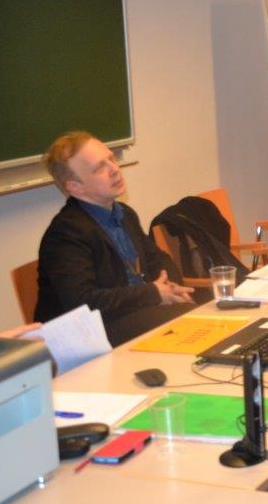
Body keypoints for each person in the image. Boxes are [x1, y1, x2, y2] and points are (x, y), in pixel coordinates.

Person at [37, 131, 197, 346]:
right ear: (75, 187)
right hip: (90, 335)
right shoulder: (65, 234)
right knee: (188, 320)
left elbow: (157, 259)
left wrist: (171, 288)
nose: (114, 169)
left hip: (134, 313)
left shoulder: (124, 213)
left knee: (202, 315)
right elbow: (83, 302)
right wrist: (153, 293)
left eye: (111, 159)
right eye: (99, 168)